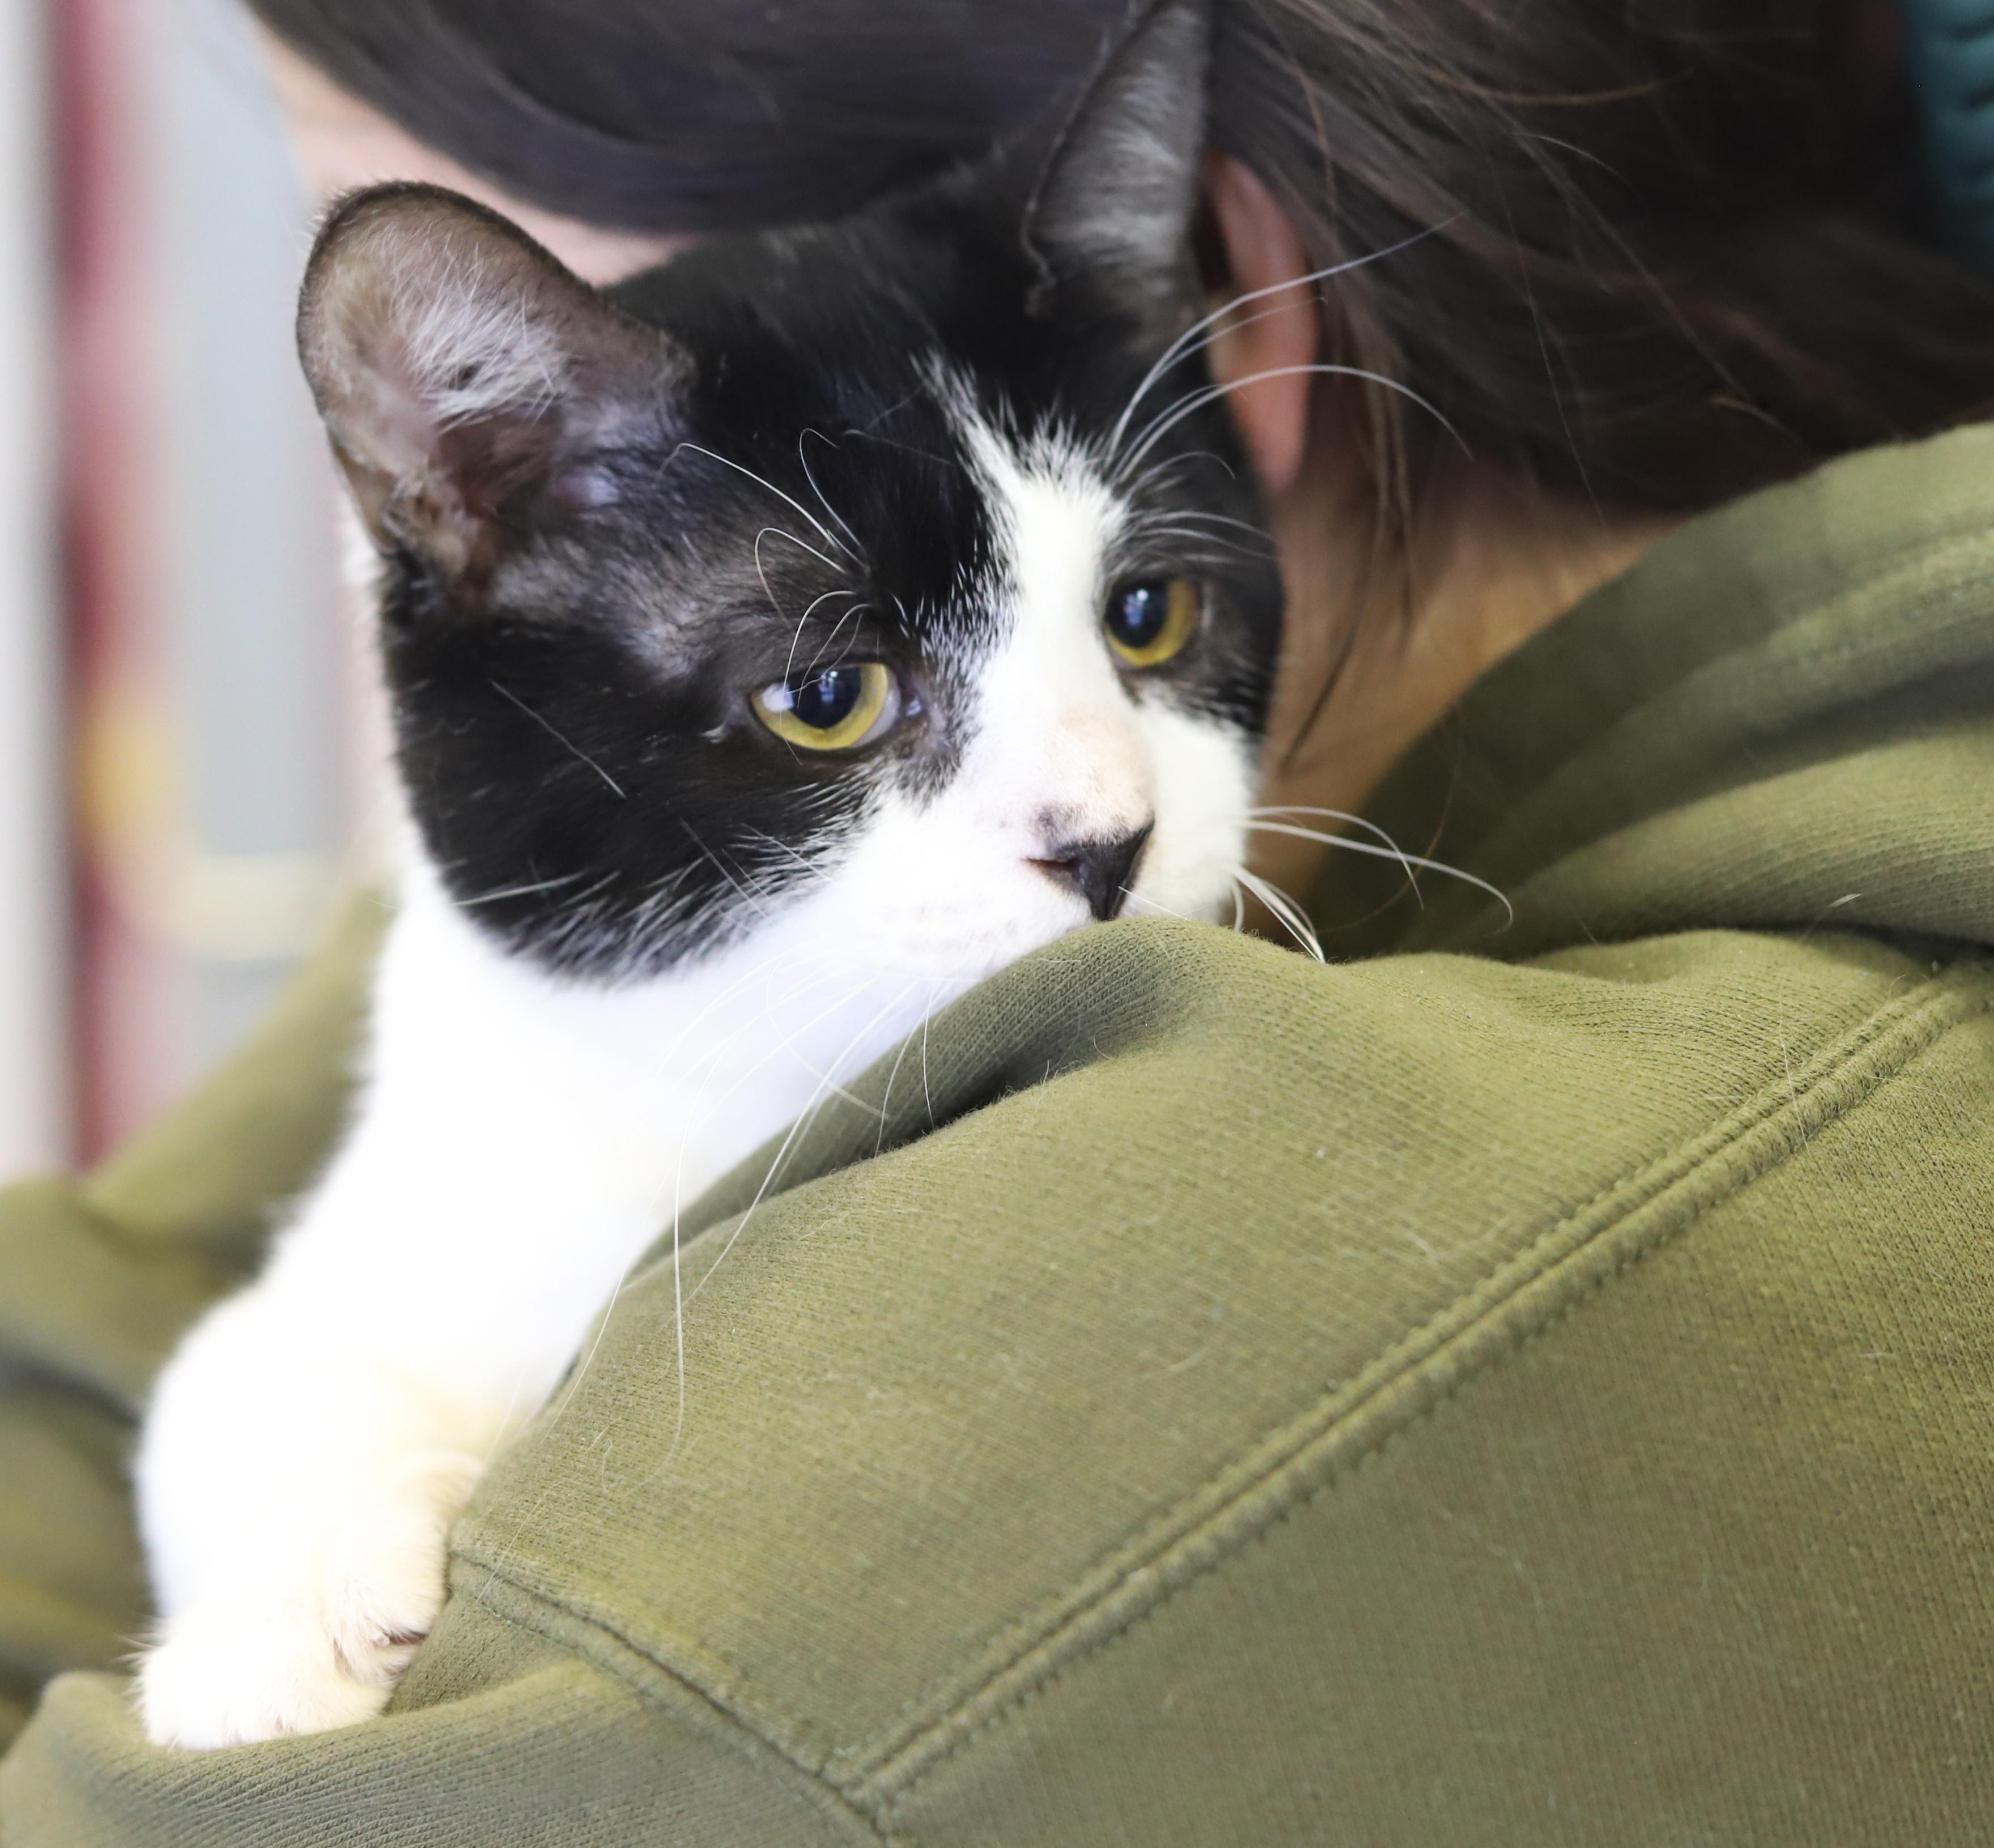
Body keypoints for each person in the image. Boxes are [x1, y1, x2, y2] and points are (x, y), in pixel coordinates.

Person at [3, 0, 1992, 1838]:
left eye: (1141, 620)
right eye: (836, 695)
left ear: (1232, 317)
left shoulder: (1160, 1366)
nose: (1098, 815)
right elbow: (205, 1326)